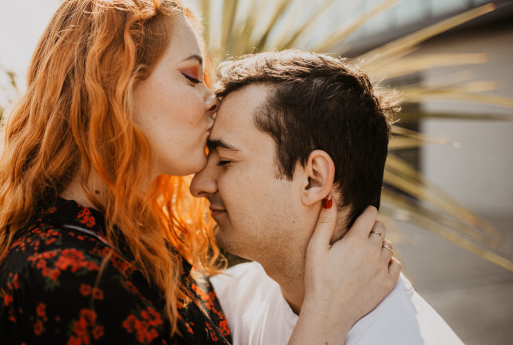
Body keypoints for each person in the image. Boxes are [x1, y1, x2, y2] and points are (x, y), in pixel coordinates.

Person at [0, 0, 398, 345]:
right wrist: (327, 316)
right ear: (114, 87)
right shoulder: (65, 273)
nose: (211, 99)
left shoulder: (136, 245)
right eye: (190, 76)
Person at [191, 50, 463, 345]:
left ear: (313, 179)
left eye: (226, 160)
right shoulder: (227, 303)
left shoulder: (408, 336)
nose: (199, 185)